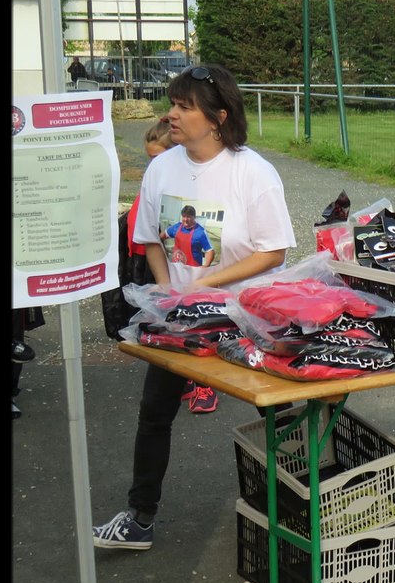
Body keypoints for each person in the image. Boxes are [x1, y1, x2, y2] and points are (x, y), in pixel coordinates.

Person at [92, 63, 297, 551]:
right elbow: (149, 242)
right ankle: (139, 518)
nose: (173, 114)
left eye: (185, 106)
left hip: (243, 318)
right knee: (154, 411)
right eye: (174, 103)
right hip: (180, 319)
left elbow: (274, 251)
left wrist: (205, 284)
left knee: (278, 414)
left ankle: (292, 515)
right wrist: (169, 295)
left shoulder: (253, 173)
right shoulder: (162, 168)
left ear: (218, 117)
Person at [130, 119, 220, 414]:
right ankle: (185, 384)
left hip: (209, 299)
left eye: (156, 158)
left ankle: (204, 387)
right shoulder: (165, 197)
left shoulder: (201, 225)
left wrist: (206, 276)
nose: (151, 164)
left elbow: (209, 251)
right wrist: (165, 283)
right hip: (176, 296)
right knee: (155, 407)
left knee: (206, 353)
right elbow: (157, 236)